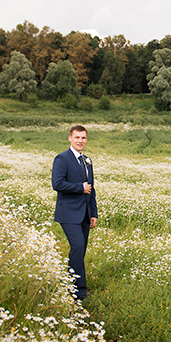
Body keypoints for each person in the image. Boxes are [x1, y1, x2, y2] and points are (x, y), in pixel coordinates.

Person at [52, 125, 98, 301]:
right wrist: (80, 187)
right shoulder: (62, 158)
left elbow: (91, 189)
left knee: (80, 251)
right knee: (77, 247)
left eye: (83, 138)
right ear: (70, 138)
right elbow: (57, 184)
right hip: (69, 213)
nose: (80, 141)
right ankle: (78, 291)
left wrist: (93, 213)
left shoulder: (87, 161)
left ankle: (72, 284)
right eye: (77, 137)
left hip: (85, 213)